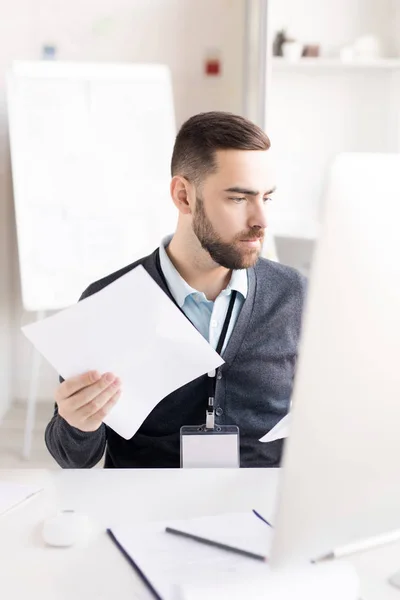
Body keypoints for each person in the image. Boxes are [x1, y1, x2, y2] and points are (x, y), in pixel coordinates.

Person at [45, 111, 306, 469]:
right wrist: (77, 425)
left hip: (261, 512)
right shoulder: (108, 302)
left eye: (267, 198)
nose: (261, 220)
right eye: (238, 198)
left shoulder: (295, 296)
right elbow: (73, 458)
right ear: (184, 196)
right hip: (143, 512)